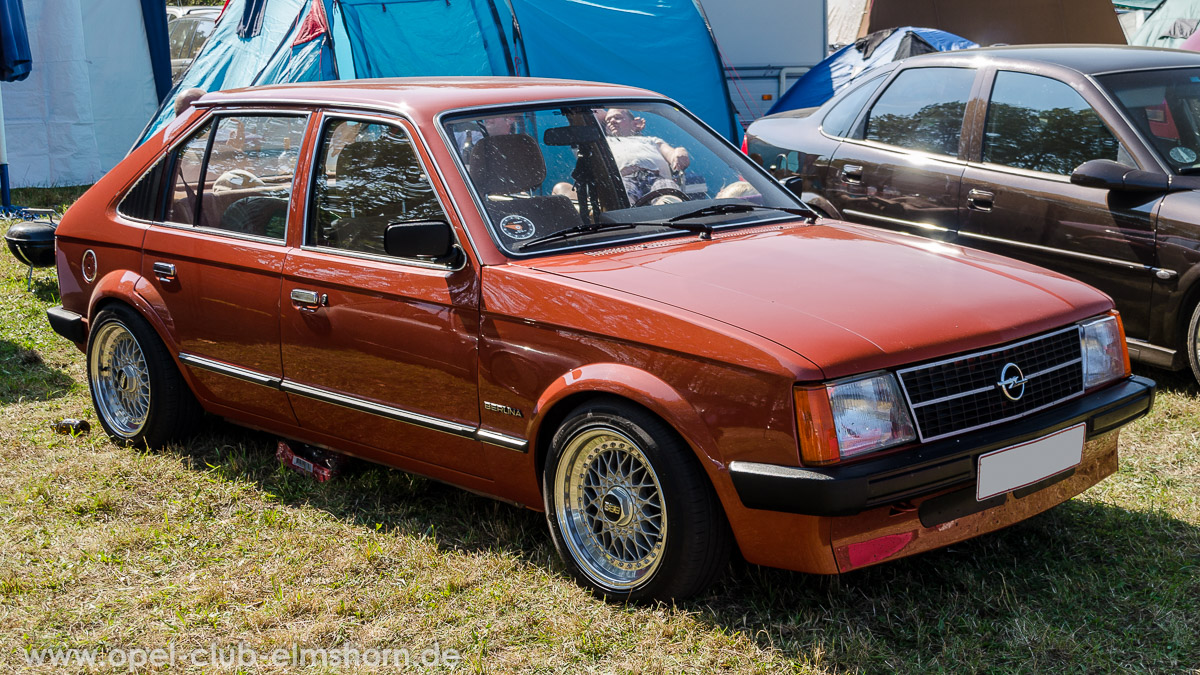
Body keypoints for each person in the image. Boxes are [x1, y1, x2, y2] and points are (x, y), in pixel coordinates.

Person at [603, 108, 690, 203]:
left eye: (618, 117)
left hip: (657, 178)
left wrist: (680, 151)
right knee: (621, 200)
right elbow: (592, 112)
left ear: (635, 123)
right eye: (607, 121)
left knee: (668, 195)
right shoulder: (604, 143)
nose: (611, 121)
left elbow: (671, 154)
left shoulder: (651, 140)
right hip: (623, 179)